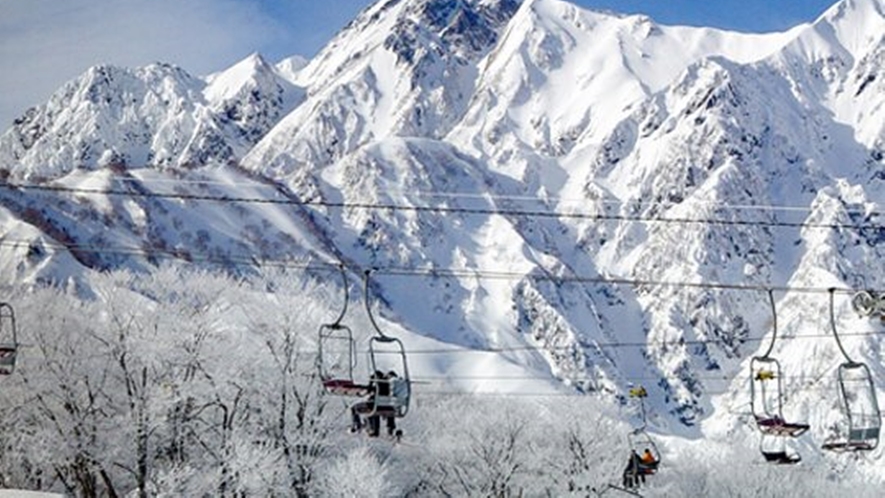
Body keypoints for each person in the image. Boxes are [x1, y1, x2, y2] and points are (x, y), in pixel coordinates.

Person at [351, 371, 385, 435]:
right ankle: (374, 429)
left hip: (373, 405)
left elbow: (369, 390)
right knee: (374, 411)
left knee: (354, 408)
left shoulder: (377, 385)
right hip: (382, 405)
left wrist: (371, 381)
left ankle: (357, 425)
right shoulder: (387, 384)